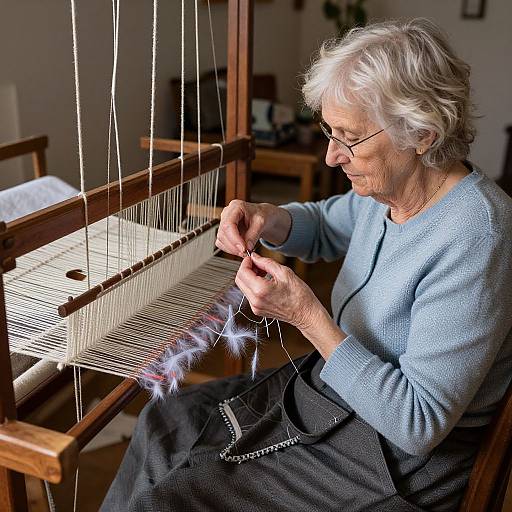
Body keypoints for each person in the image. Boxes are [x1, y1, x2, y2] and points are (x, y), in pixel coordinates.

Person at [102, 19, 512, 511]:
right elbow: (322, 226)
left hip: (399, 459)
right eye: (329, 131)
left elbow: (417, 422)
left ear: (421, 132)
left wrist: (306, 316)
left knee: (176, 497)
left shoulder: (475, 232)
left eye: (350, 138)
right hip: (341, 394)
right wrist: (266, 218)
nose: (332, 155)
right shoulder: (391, 188)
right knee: (165, 420)